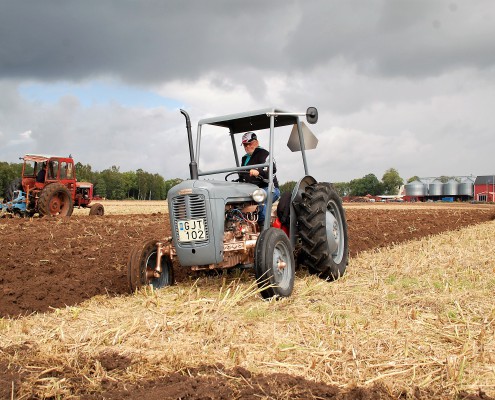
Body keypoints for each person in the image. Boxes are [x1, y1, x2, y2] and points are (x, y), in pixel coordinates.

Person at [239, 132, 280, 229]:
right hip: (250, 190)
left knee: (259, 199)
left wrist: (259, 172)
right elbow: (242, 175)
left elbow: (272, 169)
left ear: (256, 142)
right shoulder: (244, 158)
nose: (247, 147)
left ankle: (264, 229)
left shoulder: (264, 154)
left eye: (249, 144)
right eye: (244, 145)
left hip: (268, 188)